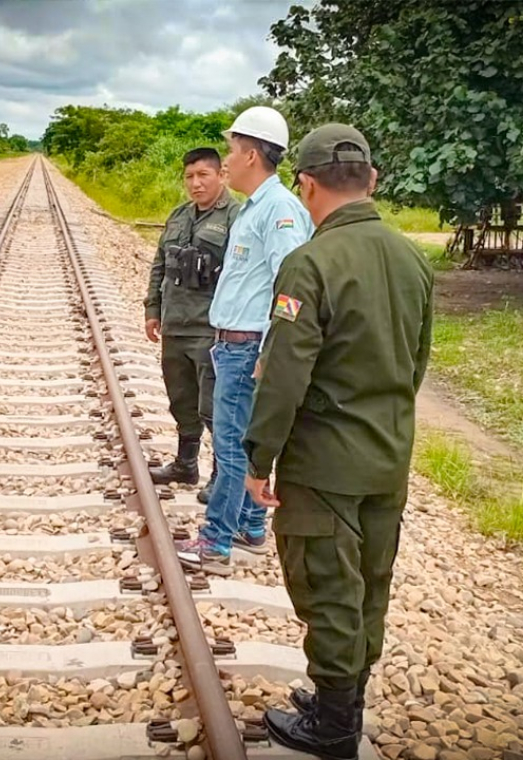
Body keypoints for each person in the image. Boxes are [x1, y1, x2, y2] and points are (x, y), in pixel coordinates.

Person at [243, 124, 434, 760]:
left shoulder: (312, 262)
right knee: (370, 584)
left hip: (324, 462)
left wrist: (258, 457)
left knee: (327, 587)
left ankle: (332, 726)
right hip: (387, 456)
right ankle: (343, 697)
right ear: (373, 181)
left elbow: (284, 375)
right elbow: (416, 364)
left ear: (306, 185)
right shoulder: (413, 259)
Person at [176, 106, 314, 576]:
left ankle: (214, 543)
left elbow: (294, 286)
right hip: (237, 343)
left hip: (248, 346)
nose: (227, 160)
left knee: (232, 446)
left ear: (252, 154)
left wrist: (272, 349)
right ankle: (251, 527)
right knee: (244, 443)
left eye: (232, 150)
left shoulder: (277, 211)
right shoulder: (258, 207)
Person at [143, 147, 238, 504]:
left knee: (213, 406)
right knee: (180, 399)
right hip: (175, 324)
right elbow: (160, 266)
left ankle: (219, 474)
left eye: (203, 175)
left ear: (221, 176)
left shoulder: (235, 218)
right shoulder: (179, 216)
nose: (195, 184)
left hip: (210, 327)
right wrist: (153, 308)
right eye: (189, 177)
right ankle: (185, 464)